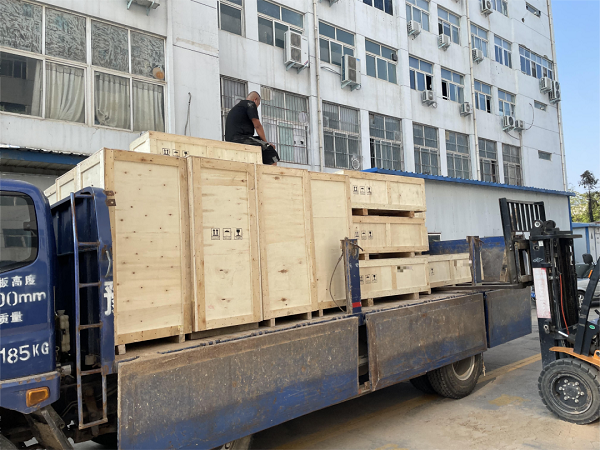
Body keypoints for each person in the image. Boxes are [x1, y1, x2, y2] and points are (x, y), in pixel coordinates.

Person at [225, 91, 280, 165]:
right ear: (255, 100)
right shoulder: (250, 104)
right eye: (258, 105)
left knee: (260, 142)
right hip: (241, 139)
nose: (256, 107)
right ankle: (273, 171)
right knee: (270, 151)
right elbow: (257, 126)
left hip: (232, 139)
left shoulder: (237, 107)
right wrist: (266, 143)